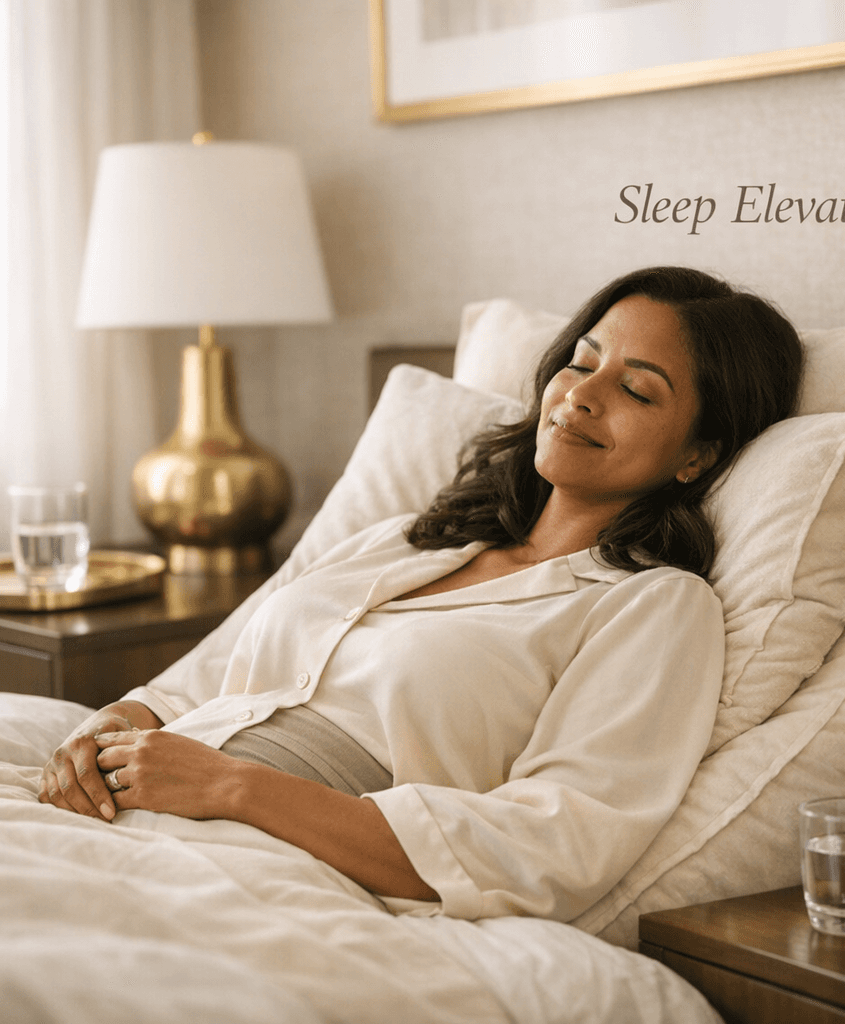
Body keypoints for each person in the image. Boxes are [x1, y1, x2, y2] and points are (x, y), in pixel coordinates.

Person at [38, 266, 804, 922]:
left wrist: (236, 787)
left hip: (278, 861)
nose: (581, 396)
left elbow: (552, 843)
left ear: (697, 455)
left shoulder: (654, 605)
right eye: (582, 362)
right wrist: (108, 727)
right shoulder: (410, 539)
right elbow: (200, 681)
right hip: (134, 807)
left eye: (636, 390)